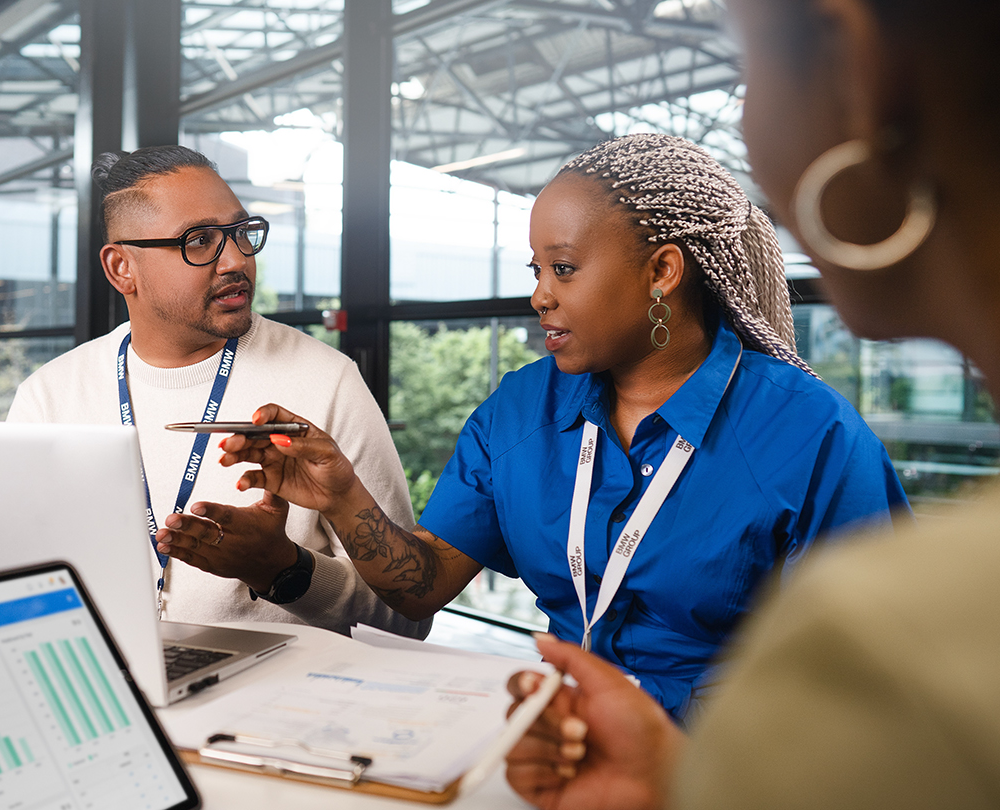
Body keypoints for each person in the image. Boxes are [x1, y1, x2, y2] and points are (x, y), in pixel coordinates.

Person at [495, 0, 1000, 807]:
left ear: (853, 71)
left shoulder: (888, 669)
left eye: (748, 63)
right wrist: (679, 782)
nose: (542, 296)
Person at [218, 133, 909, 722]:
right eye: (537, 269)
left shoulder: (811, 434)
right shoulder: (520, 411)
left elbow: (867, 679)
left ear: (662, 271)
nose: (539, 294)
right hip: (559, 739)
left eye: (565, 268)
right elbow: (420, 585)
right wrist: (341, 495)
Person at [6, 145, 426, 639]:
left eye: (241, 232)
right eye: (200, 240)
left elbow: (409, 614)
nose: (236, 260)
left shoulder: (326, 380)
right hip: (104, 673)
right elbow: (14, 575)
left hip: (283, 685)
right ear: (121, 268)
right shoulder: (48, 397)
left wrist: (285, 571)